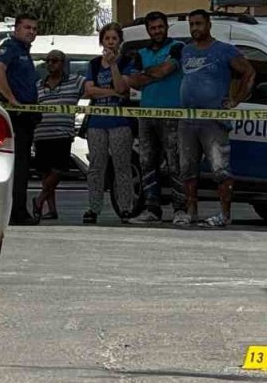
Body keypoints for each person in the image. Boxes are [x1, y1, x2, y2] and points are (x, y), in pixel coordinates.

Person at [178, 10, 255, 228]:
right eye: (191, 24)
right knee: (187, 168)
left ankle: (224, 214)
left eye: (199, 23)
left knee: (220, 168)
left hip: (213, 120)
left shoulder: (224, 50)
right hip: (187, 119)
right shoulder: (186, 50)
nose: (195, 28)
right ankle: (191, 212)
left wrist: (235, 100)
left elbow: (249, 72)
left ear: (209, 25)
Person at [126, 12, 189, 225]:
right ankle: (152, 208)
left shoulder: (177, 47)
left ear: (166, 27)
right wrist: (151, 74)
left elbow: (167, 70)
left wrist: (146, 75)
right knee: (146, 162)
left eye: (160, 27)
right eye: (153, 28)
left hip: (172, 114)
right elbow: (132, 81)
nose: (157, 31)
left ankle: (180, 209)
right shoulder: (140, 52)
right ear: (148, 30)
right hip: (146, 115)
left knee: (175, 162)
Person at [82, 23, 136, 225]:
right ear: (101, 41)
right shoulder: (94, 64)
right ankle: (94, 208)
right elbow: (89, 90)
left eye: (114, 39)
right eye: (107, 39)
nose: (111, 42)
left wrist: (113, 65)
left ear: (120, 42)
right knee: (96, 166)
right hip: (97, 122)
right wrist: (111, 92)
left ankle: (125, 208)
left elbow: (123, 88)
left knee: (122, 166)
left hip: (120, 121)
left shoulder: (126, 62)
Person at [0, 14, 41, 226]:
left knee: (22, 164)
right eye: (27, 27)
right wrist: (12, 99)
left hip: (26, 115)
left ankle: (17, 208)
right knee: (18, 165)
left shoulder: (24, 52)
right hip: (16, 115)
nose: (31, 31)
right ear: (16, 28)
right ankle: (17, 211)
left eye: (35, 29)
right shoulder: (10, 47)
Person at [32, 50, 84, 222]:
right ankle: (51, 209)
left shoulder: (75, 81)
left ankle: (39, 199)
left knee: (59, 170)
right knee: (45, 173)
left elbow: (90, 88)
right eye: (48, 61)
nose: (50, 64)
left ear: (63, 63)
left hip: (62, 133)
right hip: (42, 134)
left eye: (55, 61)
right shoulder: (38, 84)